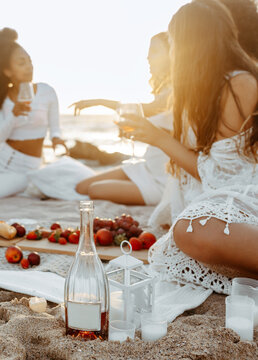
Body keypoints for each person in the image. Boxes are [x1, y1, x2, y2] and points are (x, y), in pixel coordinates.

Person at [119, 0, 258, 292]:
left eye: (173, 43)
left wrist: (159, 138)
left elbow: (231, 175)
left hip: (247, 192)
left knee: (190, 230)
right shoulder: (200, 91)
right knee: (183, 231)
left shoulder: (239, 84)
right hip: (226, 197)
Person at [0, 28, 66, 200]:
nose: (29, 67)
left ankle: (21, 187)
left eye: (29, 61)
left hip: (25, 168)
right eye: (21, 63)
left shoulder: (47, 91)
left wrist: (57, 140)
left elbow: (55, 127)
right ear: (7, 71)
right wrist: (14, 115)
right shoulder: (3, 99)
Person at [74, 32, 173, 205]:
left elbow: (142, 110)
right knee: (81, 187)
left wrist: (99, 102)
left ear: (172, 54)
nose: (148, 57)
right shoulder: (163, 90)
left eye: (155, 51)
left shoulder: (176, 92)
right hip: (148, 166)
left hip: (164, 179)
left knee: (94, 190)